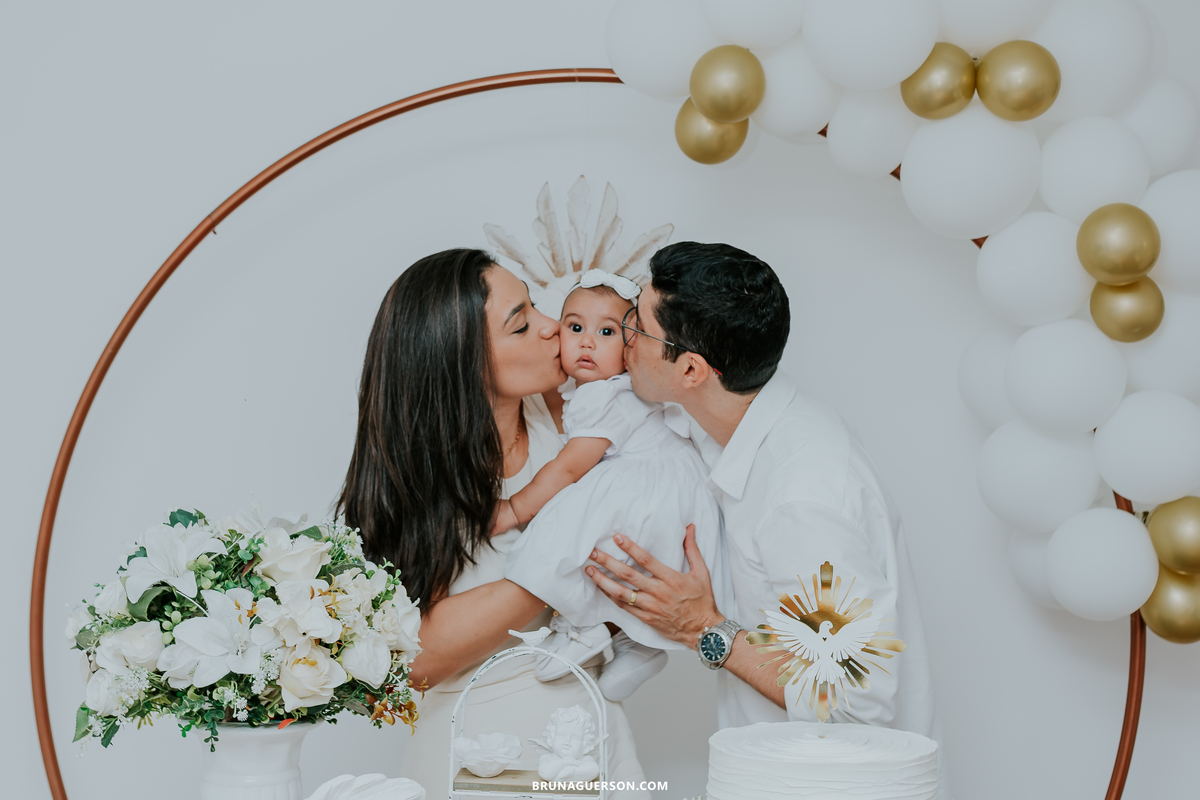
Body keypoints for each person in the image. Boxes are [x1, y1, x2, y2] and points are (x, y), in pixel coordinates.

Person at [585, 243, 941, 770]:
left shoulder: (802, 497)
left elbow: (856, 698)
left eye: (635, 328)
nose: (624, 339)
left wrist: (703, 629)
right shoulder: (724, 418)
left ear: (690, 369)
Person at [337, 249, 648, 799]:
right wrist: (562, 566)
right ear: (462, 363)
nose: (553, 328)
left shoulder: (569, 410)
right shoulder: (419, 473)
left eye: (536, 307)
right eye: (522, 324)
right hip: (475, 750)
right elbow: (419, 656)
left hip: (586, 725)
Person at [498, 269, 725, 702]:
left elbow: (569, 468)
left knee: (566, 529)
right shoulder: (598, 391)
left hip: (650, 488)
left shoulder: (609, 396)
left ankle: (581, 626)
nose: (586, 342)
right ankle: (635, 643)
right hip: (669, 489)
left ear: (630, 348)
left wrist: (515, 509)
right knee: (612, 549)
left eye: (606, 332)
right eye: (575, 327)